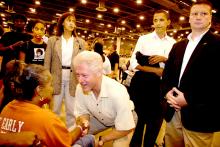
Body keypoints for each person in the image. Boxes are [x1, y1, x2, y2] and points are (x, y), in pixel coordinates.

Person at [161, 1, 220, 147]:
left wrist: (189, 99)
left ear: (210, 19)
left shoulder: (217, 44)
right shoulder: (178, 46)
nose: (198, 17)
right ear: (189, 18)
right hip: (173, 110)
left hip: (200, 114)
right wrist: (167, 92)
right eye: (194, 14)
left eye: (203, 14)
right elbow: (167, 73)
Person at [0, 63, 94, 147]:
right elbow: (67, 141)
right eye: (50, 85)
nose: (52, 89)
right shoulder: (46, 119)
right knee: (90, 138)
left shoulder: (7, 108)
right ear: (39, 90)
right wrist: (80, 127)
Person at [129, 9, 176, 147]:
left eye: (161, 20)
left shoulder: (173, 43)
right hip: (141, 85)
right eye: (155, 20)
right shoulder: (144, 39)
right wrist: (156, 70)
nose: (158, 23)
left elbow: (175, 67)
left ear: (168, 22)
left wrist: (165, 59)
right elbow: (133, 63)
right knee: (137, 122)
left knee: (155, 123)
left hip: (160, 88)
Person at [73, 51, 137, 147]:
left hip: (124, 121)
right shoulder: (80, 88)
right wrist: (84, 122)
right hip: (99, 118)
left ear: (99, 73)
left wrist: (102, 139)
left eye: (84, 75)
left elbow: (126, 127)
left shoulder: (117, 91)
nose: (80, 80)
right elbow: (83, 112)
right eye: (78, 75)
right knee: (75, 135)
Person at [44, 12, 86, 129]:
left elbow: (83, 63)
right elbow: (47, 62)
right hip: (56, 78)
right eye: (69, 20)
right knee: (54, 109)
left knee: (72, 110)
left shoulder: (80, 42)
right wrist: (46, 80)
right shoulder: (53, 40)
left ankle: (70, 134)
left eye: (73, 21)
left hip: (73, 79)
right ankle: (53, 133)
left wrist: (82, 80)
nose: (72, 23)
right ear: (62, 23)